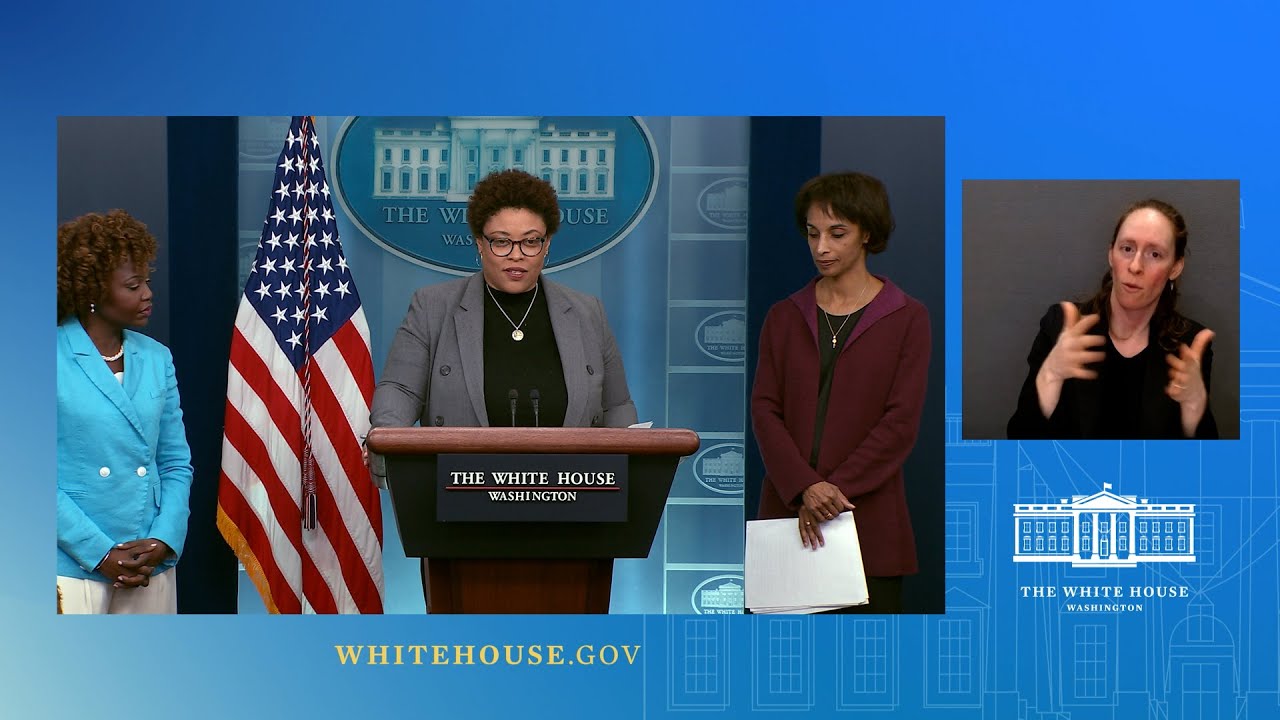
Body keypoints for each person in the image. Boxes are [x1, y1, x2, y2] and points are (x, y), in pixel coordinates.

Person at [751, 172, 931, 614]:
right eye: (812, 234)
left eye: (837, 234)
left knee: (869, 671)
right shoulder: (784, 316)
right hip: (788, 519)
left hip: (869, 524)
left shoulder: (908, 317)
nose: (821, 248)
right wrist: (804, 486)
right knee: (783, 671)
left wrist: (831, 491)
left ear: (866, 233)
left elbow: (901, 421)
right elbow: (764, 409)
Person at [370, 169, 637, 431]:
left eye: (530, 242)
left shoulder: (588, 312)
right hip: (459, 473)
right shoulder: (431, 307)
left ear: (547, 245)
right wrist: (385, 436)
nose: (516, 255)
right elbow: (400, 390)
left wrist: (630, 463)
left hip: (569, 474)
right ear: (480, 244)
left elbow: (616, 406)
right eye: (502, 242)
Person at [56, 210, 193, 614]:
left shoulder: (157, 358)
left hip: (149, 559)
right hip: (71, 564)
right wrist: (99, 552)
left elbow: (175, 462)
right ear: (93, 291)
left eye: (147, 282)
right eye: (133, 285)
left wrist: (164, 539)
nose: (148, 293)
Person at [1007, 199, 1217, 439]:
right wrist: (1050, 376)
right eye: (1127, 249)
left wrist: (1194, 412)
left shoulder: (1189, 346)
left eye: (1155, 254)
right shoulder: (1060, 327)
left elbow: (1206, 466)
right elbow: (1018, 442)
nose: (1135, 266)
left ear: (1175, 267)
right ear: (1111, 254)